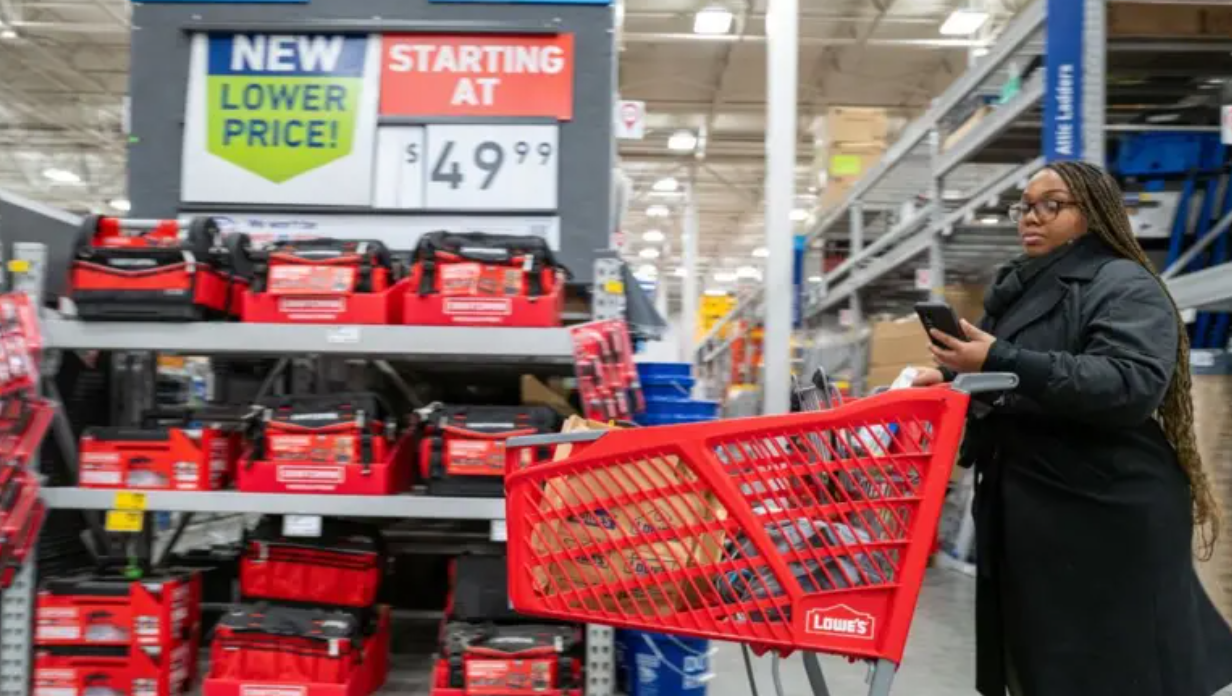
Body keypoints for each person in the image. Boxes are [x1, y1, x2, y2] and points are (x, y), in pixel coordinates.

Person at [912, 160, 1232, 696]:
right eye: (1025, 206)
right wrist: (947, 378)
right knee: (1047, 665)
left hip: (1104, 508)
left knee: (1114, 670)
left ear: (1093, 214)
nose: (1030, 218)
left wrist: (995, 358)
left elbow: (1130, 383)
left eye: (1050, 205)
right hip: (1038, 507)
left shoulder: (1122, 283)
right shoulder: (1022, 290)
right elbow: (1016, 372)